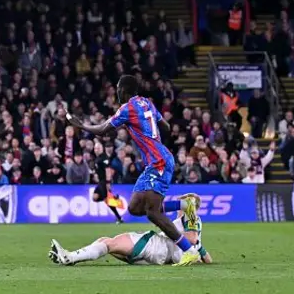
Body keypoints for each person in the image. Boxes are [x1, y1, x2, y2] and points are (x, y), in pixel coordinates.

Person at [66, 74, 200, 266]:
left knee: (153, 213)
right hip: (156, 160)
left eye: (118, 89)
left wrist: (82, 126)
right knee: (135, 208)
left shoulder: (127, 108)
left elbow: (104, 129)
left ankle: (189, 250)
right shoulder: (146, 103)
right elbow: (166, 126)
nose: (116, 92)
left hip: (158, 162)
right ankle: (184, 206)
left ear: (123, 90)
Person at [49, 194, 212, 266]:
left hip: (156, 246)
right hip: (159, 255)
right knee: (105, 241)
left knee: (109, 243)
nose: (180, 202)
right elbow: (201, 249)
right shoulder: (189, 223)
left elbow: (191, 238)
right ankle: (71, 256)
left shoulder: (191, 218)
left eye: (183, 201)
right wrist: (201, 255)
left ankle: (69, 257)